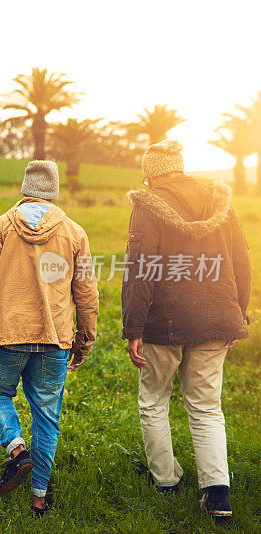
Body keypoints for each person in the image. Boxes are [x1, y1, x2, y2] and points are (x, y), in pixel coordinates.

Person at [0, 161, 99, 517]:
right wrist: (84, 339)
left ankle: (17, 451)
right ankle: (38, 498)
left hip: (8, 336)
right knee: (47, 417)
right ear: (54, 191)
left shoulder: (0, 227)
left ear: (24, 188)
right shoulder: (74, 232)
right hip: (55, 341)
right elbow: (86, 293)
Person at [122, 140, 250, 520]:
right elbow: (241, 260)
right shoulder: (220, 199)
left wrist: (134, 327)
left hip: (163, 322)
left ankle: (165, 481)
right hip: (217, 319)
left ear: (151, 173)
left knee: (153, 400)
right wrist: (237, 314)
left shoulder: (147, 205)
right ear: (179, 166)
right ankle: (217, 494)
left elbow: (140, 269)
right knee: (207, 407)